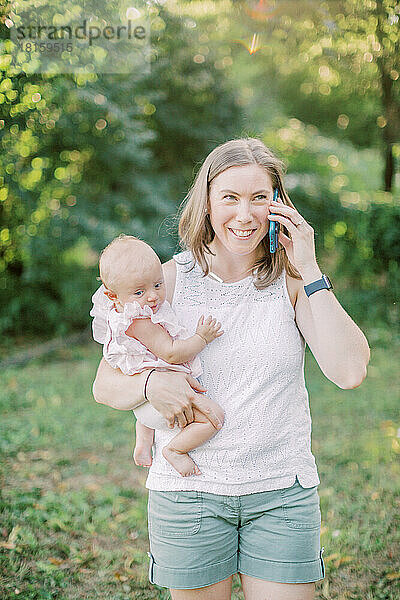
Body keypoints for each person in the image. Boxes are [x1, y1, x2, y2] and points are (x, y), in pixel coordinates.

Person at [92, 138, 370, 600]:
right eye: (230, 198)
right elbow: (105, 383)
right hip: (189, 496)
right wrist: (151, 381)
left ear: (278, 204)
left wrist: (310, 265)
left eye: (259, 198)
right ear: (206, 202)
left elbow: (350, 371)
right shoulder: (168, 280)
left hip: (281, 494)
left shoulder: (296, 282)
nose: (245, 215)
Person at [90, 234, 224, 477]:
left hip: (146, 402)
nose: (152, 296)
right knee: (213, 418)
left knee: (149, 393)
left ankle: (143, 440)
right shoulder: (138, 320)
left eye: (158, 285)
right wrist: (201, 338)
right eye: (139, 292)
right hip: (159, 401)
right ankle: (174, 450)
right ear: (112, 295)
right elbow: (171, 353)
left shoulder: (124, 311)